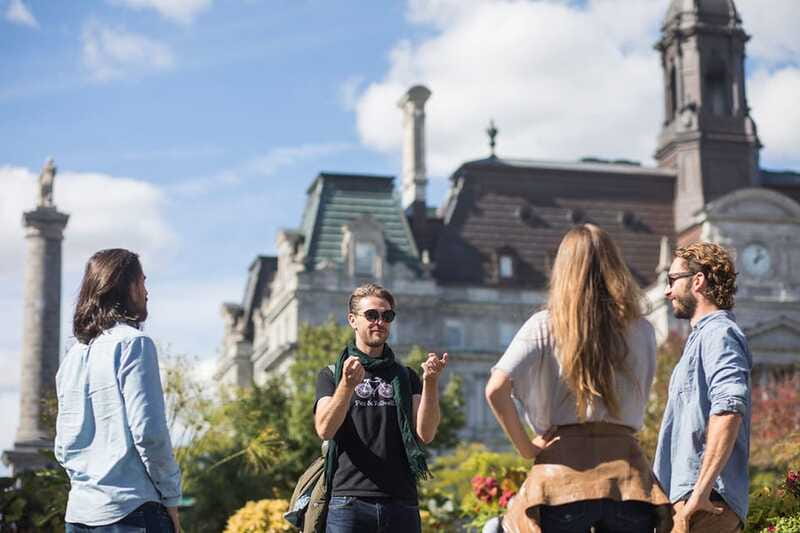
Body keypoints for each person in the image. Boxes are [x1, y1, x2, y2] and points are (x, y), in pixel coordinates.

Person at [485, 224, 671, 533]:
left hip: (561, 480)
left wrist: (526, 448)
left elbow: (496, 388)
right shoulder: (643, 329)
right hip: (627, 479)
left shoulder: (544, 325)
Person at [55, 249, 181, 532]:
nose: (147, 292)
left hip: (78, 515)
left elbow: (62, 446)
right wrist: (172, 499)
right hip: (131, 511)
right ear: (126, 287)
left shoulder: (72, 358)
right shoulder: (134, 344)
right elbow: (150, 434)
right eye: (143, 282)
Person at [314, 283, 447, 533]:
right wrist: (347, 385)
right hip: (348, 502)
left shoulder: (406, 377)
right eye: (371, 315)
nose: (380, 322)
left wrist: (430, 382)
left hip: (401, 503)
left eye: (387, 316)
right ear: (353, 320)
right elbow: (324, 429)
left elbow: (425, 434)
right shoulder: (331, 375)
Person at [654, 242, 751, 533]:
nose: (667, 292)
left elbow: (729, 409)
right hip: (694, 498)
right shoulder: (702, 338)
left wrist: (699, 493)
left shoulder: (719, 334)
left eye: (672, 280)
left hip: (704, 501)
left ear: (698, 280)